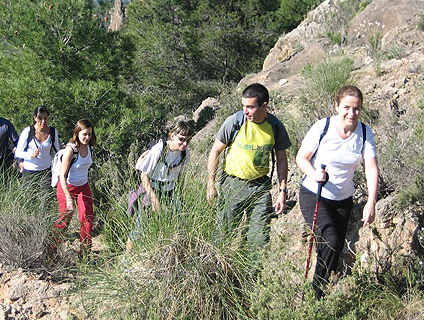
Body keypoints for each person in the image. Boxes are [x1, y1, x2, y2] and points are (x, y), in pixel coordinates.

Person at [296, 85, 378, 298]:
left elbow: (371, 168)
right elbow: (301, 158)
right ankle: (316, 295)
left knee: (335, 246)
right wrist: (314, 173)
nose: (352, 113)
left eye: (356, 108)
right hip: (314, 194)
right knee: (330, 240)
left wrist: (371, 202)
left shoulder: (364, 132)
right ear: (337, 106)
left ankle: (321, 292)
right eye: (346, 107)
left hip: (343, 200)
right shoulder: (323, 127)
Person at [207, 83, 291, 250]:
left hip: (260, 187)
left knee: (259, 238)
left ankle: (252, 266)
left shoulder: (275, 126)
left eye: (250, 107)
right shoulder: (235, 121)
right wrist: (211, 183)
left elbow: (282, 159)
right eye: (243, 106)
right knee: (223, 234)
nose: (245, 111)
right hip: (232, 185)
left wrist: (282, 191)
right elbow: (215, 151)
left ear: (264, 106)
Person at [126, 121, 194, 251]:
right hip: (152, 188)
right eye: (181, 139)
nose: (185, 144)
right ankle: (127, 257)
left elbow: (180, 176)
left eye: (188, 140)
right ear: (172, 136)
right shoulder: (159, 149)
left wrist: (179, 197)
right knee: (141, 225)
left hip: (171, 190)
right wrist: (153, 198)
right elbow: (144, 175)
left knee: (181, 222)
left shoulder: (185, 153)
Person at [53, 119, 96, 256]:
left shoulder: (90, 147)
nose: (87, 137)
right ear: (77, 133)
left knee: (87, 218)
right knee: (64, 220)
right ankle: (50, 250)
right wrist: (68, 198)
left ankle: (84, 254)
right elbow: (62, 176)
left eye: (89, 134)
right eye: (84, 134)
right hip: (67, 187)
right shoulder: (71, 150)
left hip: (83, 185)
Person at [15, 106, 60, 191]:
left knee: (46, 196)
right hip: (30, 171)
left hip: (46, 171)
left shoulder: (53, 132)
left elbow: (56, 153)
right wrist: (30, 155)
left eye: (45, 118)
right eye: (40, 118)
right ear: (35, 118)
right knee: (31, 197)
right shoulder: (28, 131)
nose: (43, 121)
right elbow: (18, 152)